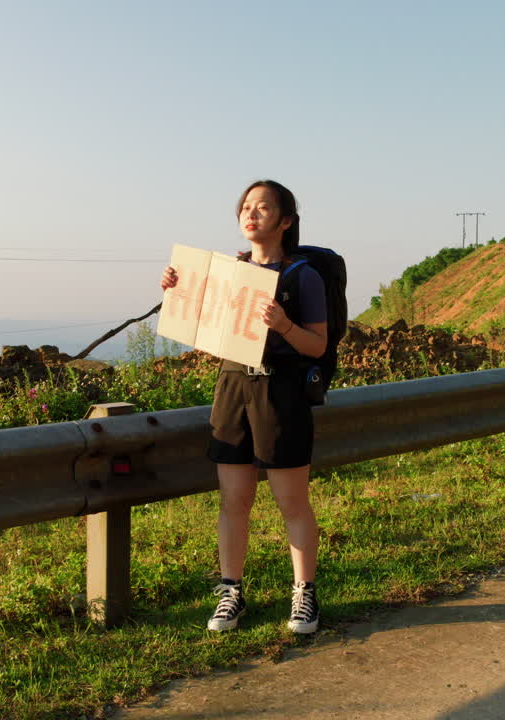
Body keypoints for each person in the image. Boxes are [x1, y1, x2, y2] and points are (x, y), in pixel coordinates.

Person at [160, 179, 328, 634]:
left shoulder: (303, 276)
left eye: (263, 207)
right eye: (246, 207)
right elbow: (201, 326)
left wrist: (285, 325)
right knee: (233, 501)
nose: (251, 214)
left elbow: (317, 345)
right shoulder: (227, 273)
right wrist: (176, 290)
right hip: (233, 386)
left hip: (281, 391)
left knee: (292, 502)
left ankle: (304, 594)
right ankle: (231, 592)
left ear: (286, 221)